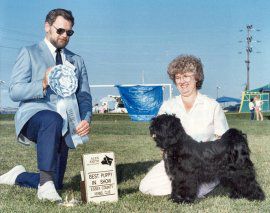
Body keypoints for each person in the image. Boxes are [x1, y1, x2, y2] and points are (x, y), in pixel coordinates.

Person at [0, 9, 92, 202]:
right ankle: (45, 183)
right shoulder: (29, 52)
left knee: (55, 183)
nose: (65, 36)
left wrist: (85, 119)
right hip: (34, 116)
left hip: (66, 124)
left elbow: (84, 97)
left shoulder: (77, 60)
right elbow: (14, 91)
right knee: (52, 119)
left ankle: (19, 176)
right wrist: (42, 83)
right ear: (47, 27)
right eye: (60, 31)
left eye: (69, 32)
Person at [139, 55, 228, 198]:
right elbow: (157, 135)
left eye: (186, 76)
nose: (182, 81)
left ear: (197, 78)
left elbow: (222, 139)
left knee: (190, 188)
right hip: (175, 163)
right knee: (146, 187)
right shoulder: (168, 106)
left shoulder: (212, 106)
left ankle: (210, 181)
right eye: (178, 77)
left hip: (204, 164)